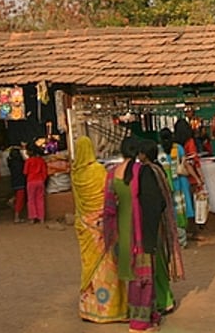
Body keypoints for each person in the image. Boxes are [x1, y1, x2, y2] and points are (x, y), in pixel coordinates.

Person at [71, 135, 126, 323]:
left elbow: (78, 202)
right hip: (102, 226)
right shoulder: (97, 171)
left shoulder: (75, 173)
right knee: (108, 266)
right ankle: (110, 309)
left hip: (85, 226)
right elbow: (109, 194)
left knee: (89, 265)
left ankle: (89, 308)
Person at [136, 137, 184, 318]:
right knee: (161, 261)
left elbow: (153, 201)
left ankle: (164, 301)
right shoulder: (158, 169)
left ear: (143, 154)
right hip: (162, 221)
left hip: (154, 223)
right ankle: (166, 298)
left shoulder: (148, 171)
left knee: (157, 264)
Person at [158, 127, 195, 247]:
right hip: (180, 183)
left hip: (165, 184)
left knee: (169, 211)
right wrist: (198, 178)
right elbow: (185, 165)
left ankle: (171, 240)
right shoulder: (178, 148)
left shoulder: (158, 150)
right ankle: (182, 240)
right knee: (181, 211)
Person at [24, 141, 48, 224]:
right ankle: (41, 217)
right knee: (40, 199)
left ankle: (32, 217)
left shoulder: (28, 161)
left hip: (31, 181)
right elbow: (45, 172)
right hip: (40, 181)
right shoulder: (41, 160)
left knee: (31, 199)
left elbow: (25, 172)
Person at [6, 145, 27, 222]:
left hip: (14, 182)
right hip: (21, 182)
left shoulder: (11, 162)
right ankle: (16, 217)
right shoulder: (21, 163)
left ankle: (12, 200)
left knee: (18, 196)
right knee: (20, 200)